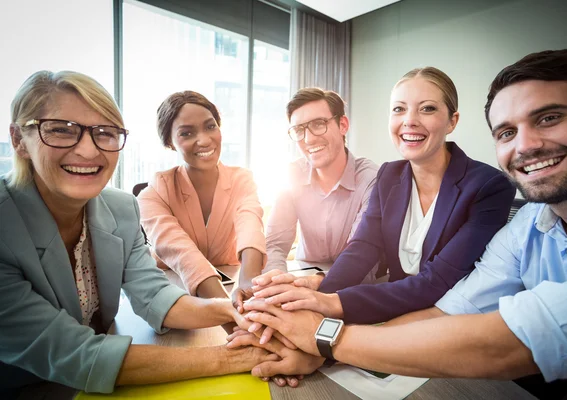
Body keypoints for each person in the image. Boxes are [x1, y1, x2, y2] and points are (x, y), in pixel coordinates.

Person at [235, 49, 567, 398]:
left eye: (549, 118)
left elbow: (449, 295)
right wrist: (316, 304)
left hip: (461, 342)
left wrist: (324, 326)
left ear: (452, 121)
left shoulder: (488, 185)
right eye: (507, 132)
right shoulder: (527, 224)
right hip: (414, 321)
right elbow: (378, 259)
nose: (526, 145)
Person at [0, 71, 311, 398]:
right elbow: (71, 352)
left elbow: (154, 295)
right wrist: (248, 356)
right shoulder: (151, 192)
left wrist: (229, 310)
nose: (89, 151)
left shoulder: (120, 208)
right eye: (61, 130)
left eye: (104, 133)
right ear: (19, 140)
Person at [251, 67, 515, 328]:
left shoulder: (489, 186)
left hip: (448, 323)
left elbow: (437, 282)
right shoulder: (389, 175)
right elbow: (362, 248)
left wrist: (330, 303)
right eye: (399, 109)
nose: (409, 120)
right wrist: (314, 299)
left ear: (452, 121)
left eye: (427, 108)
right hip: (391, 311)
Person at [137, 91, 266, 312]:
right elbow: (183, 254)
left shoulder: (242, 179)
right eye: (187, 133)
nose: (204, 140)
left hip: (232, 285)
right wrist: (232, 314)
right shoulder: (153, 194)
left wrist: (249, 282)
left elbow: (250, 224)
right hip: (176, 292)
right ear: (170, 141)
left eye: (210, 126)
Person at [264, 88, 379, 279]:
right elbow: (275, 244)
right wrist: (276, 279)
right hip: (302, 278)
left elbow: (359, 254)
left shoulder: (371, 179)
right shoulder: (292, 174)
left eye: (318, 124)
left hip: (354, 287)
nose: (308, 139)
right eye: (299, 130)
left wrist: (314, 287)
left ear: (342, 125)